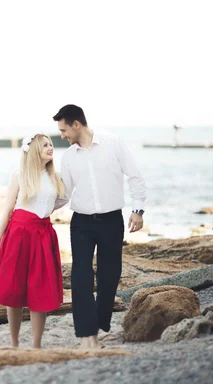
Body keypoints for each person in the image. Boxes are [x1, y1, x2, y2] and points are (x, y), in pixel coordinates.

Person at [52, 104, 146, 348]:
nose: (62, 136)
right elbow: (65, 194)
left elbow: (134, 176)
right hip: (81, 223)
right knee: (80, 278)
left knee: (109, 277)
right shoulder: (69, 156)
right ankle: (86, 337)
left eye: (64, 130)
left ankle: (98, 323)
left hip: (112, 221)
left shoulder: (112, 143)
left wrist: (138, 210)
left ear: (77, 124)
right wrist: (38, 210)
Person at [0, 133, 68, 348]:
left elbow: (63, 198)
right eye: (45, 145)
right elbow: (7, 210)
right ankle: (14, 343)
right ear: (34, 149)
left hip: (43, 234)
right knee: (13, 290)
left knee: (40, 289)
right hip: (18, 234)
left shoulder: (56, 176)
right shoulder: (19, 175)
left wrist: (42, 212)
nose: (50, 147)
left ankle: (36, 345)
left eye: (51, 144)